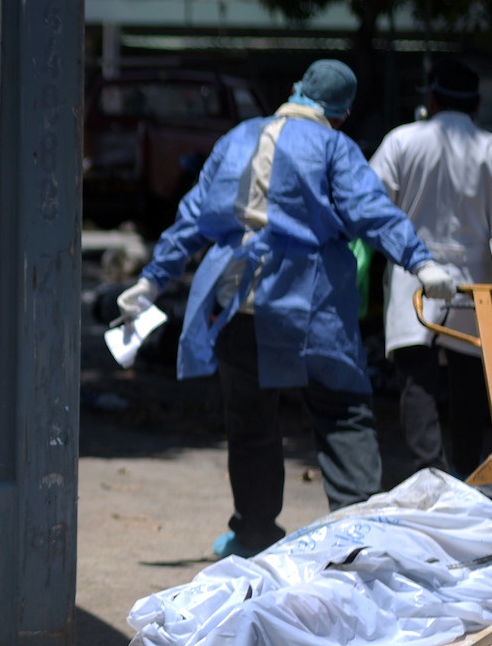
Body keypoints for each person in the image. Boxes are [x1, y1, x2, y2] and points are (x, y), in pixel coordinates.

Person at [117, 59, 457, 557]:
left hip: (237, 301)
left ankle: (253, 535)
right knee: (341, 411)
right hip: (308, 300)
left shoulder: (237, 137)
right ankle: (357, 536)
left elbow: (194, 216)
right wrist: (420, 261)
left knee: (251, 421)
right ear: (340, 112)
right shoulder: (333, 145)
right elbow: (370, 209)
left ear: (297, 90)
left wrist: (151, 279)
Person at [370, 57, 492, 477]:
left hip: (414, 273)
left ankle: (429, 472)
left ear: (431, 98)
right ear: (475, 104)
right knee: (471, 381)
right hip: (477, 280)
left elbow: (371, 206)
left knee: (417, 378)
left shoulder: (401, 141)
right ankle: (466, 475)